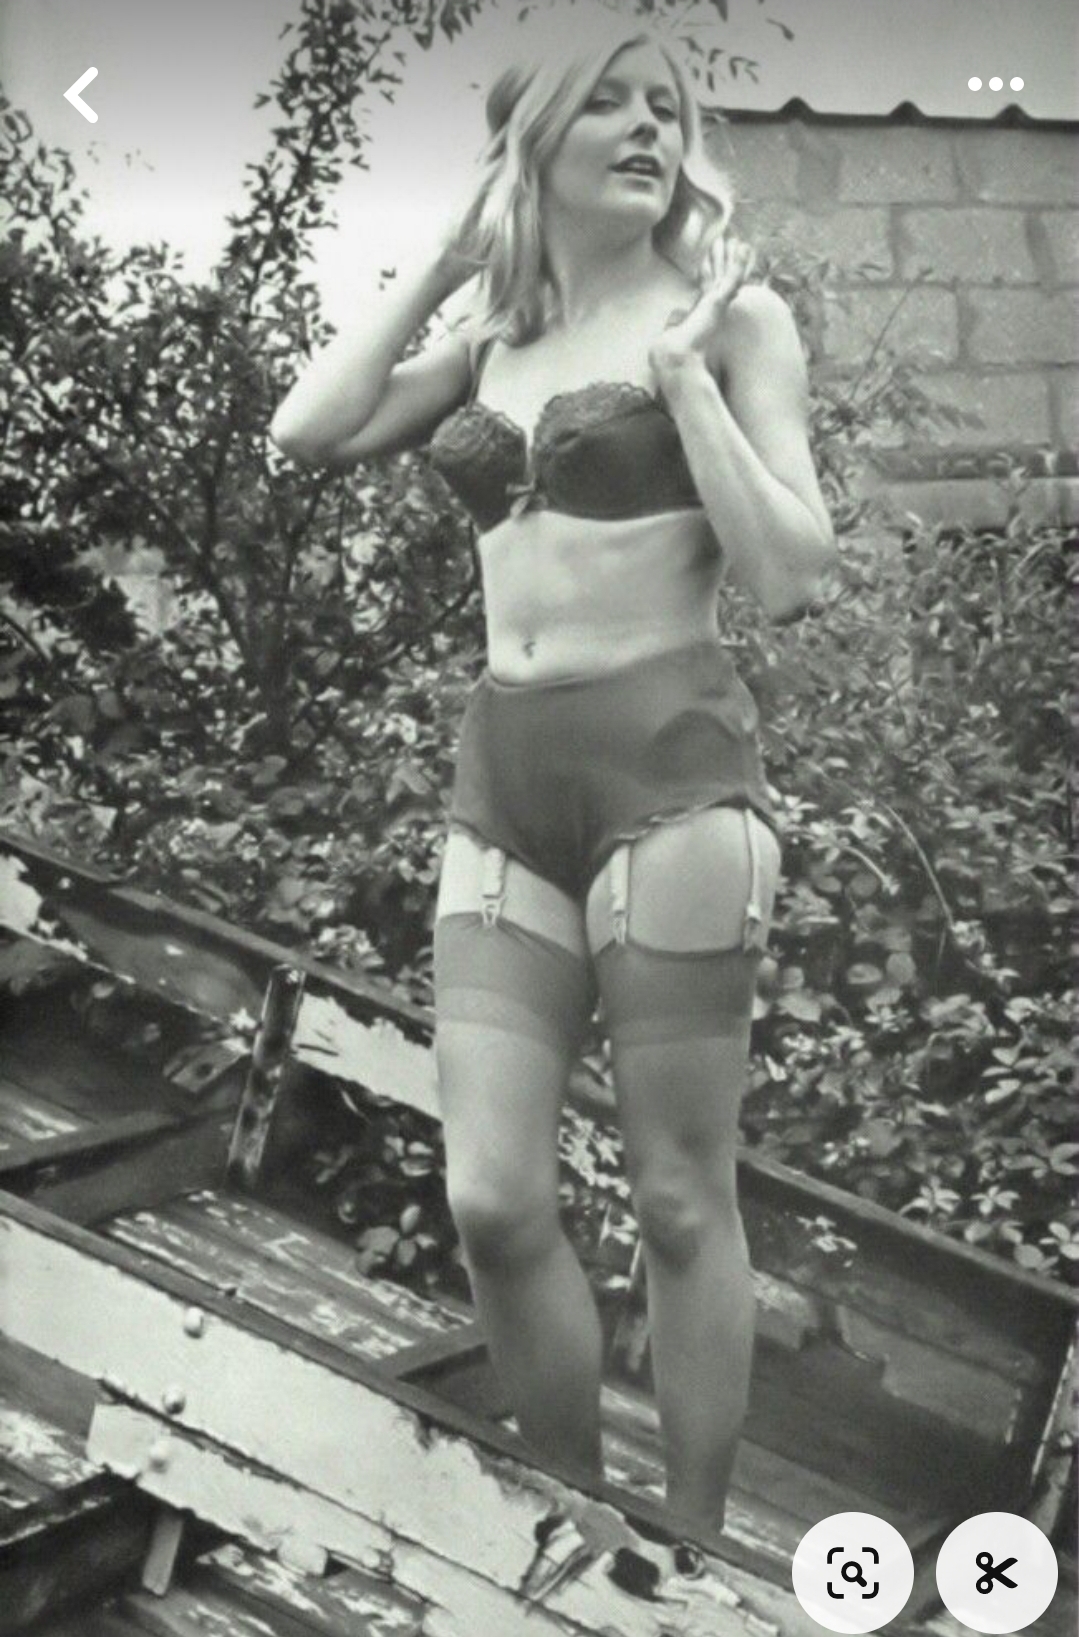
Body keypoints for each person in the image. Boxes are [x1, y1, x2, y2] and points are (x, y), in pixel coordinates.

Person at [271, 15, 836, 1537]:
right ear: (533, 143)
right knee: (494, 1197)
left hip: (673, 779)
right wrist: (445, 261)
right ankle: (576, 1522)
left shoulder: (734, 320)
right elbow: (307, 428)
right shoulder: (492, 338)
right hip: (506, 781)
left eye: (667, 106)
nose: (651, 127)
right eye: (610, 104)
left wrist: (684, 384)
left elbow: (793, 573)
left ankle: (691, 1548)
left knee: (678, 1198)